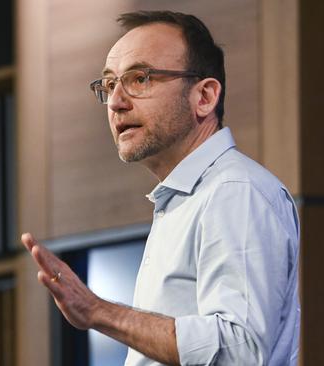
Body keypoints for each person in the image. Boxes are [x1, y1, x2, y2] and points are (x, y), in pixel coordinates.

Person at [21, 10, 300, 366]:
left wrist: (100, 312)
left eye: (140, 79)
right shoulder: (186, 200)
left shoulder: (235, 190)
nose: (117, 103)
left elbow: (239, 349)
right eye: (109, 86)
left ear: (204, 97)